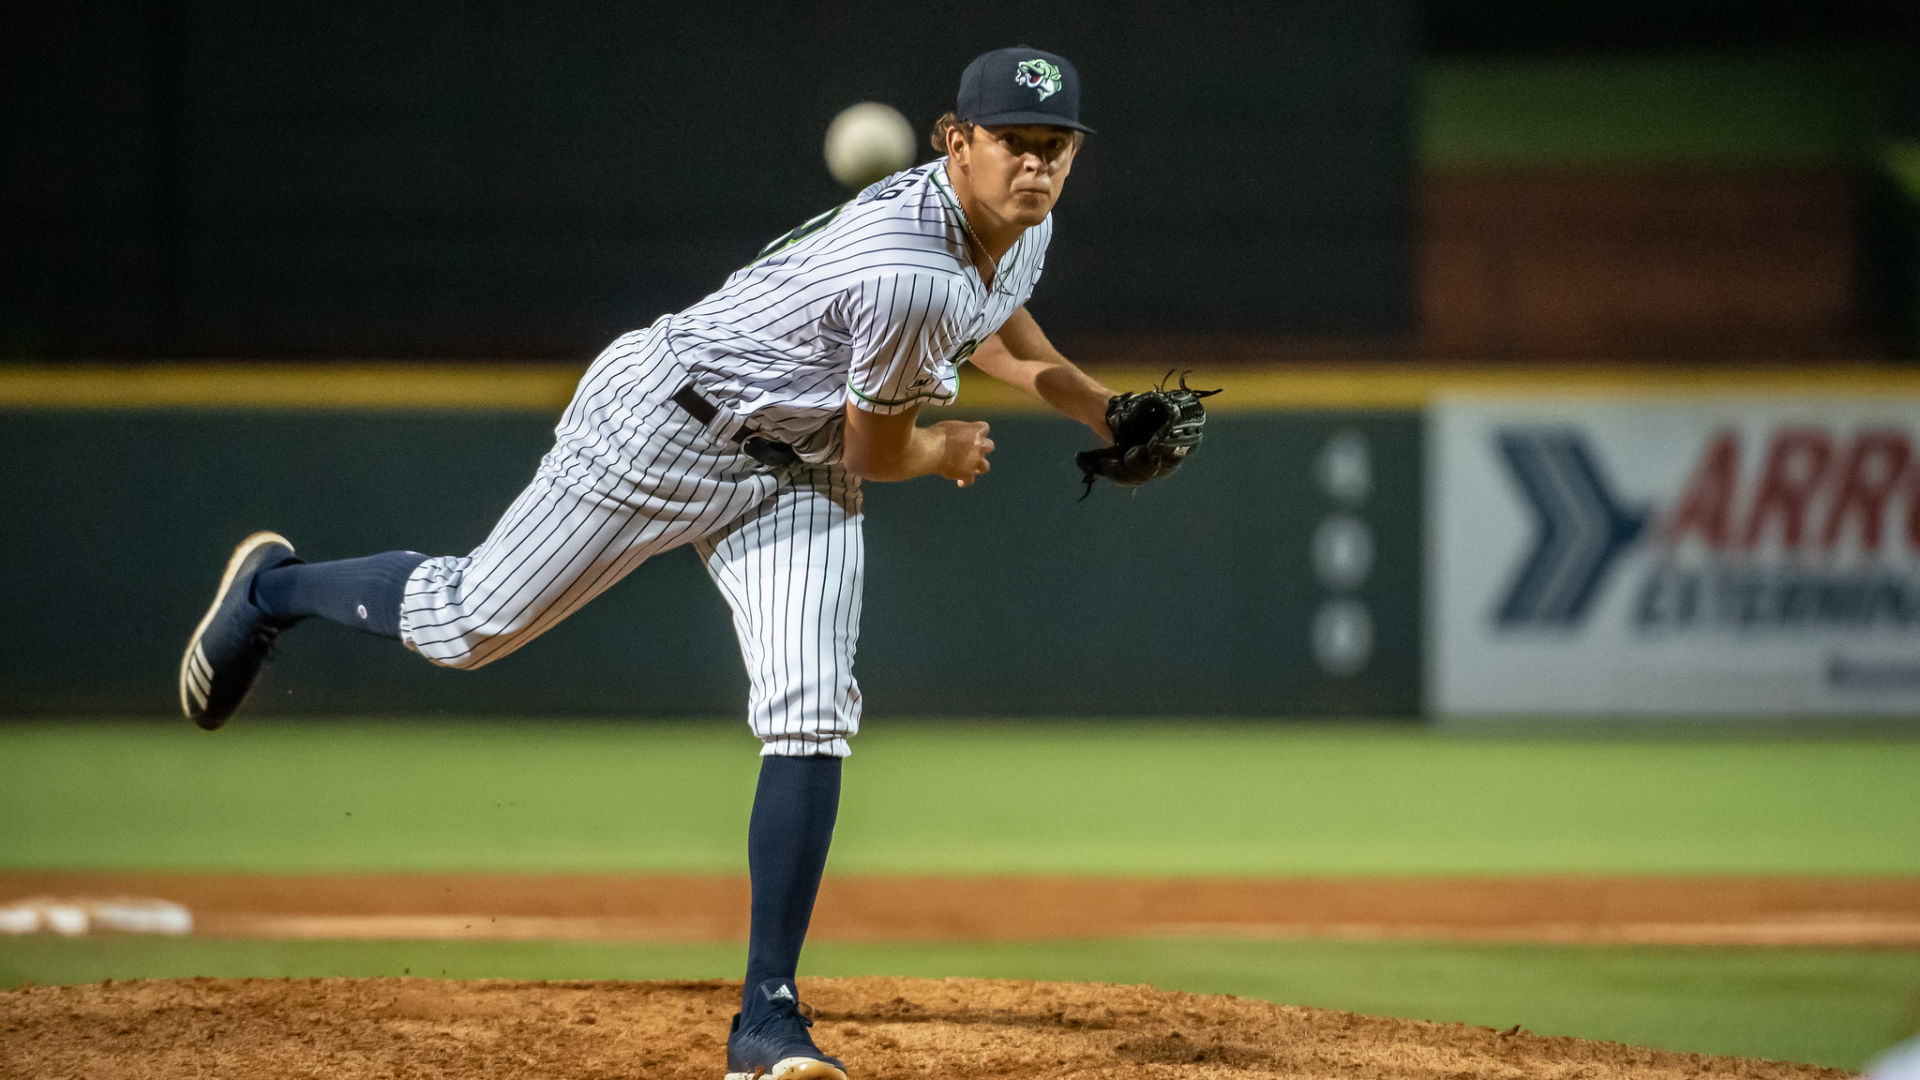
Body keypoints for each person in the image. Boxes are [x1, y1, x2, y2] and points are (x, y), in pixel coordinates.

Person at [180, 45, 1110, 1080]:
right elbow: (879, 447)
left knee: (810, 705)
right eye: (1016, 144)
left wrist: (1108, 411)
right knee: (463, 628)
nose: (1037, 167)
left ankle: (767, 1021)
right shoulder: (904, 272)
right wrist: (943, 451)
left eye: (1055, 148)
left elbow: (997, 329)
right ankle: (273, 589)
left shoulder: (1011, 230)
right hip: (665, 428)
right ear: (958, 142)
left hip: (790, 464)